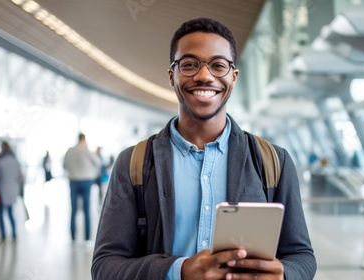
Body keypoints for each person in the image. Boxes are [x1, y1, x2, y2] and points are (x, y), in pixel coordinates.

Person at [92, 18, 316, 279]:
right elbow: (105, 267)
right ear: (171, 76)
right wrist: (179, 270)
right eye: (189, 65)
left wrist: (285, 274)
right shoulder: (135, 163)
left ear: (233, 77)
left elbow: (302, 256)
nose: (204, 76)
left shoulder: (273, 161)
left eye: (218, 65)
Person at [63, 133, 101, 243]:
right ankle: (87, 238)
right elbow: (98, 162)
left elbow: (64, 166)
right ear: (84, 140)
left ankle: (73, 238)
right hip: (86, 181)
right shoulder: (86, 150)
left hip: (73, 181)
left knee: (73, 209)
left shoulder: (70, 150)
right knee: (86, 209)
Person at [0, 141, 24, 244]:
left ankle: (3, 236)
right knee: (10, 213)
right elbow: (20, 178)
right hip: (13, 191)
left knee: (1, 214)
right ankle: (14, 234)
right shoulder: (15, 162)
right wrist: (21, 192)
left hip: (1, 192)